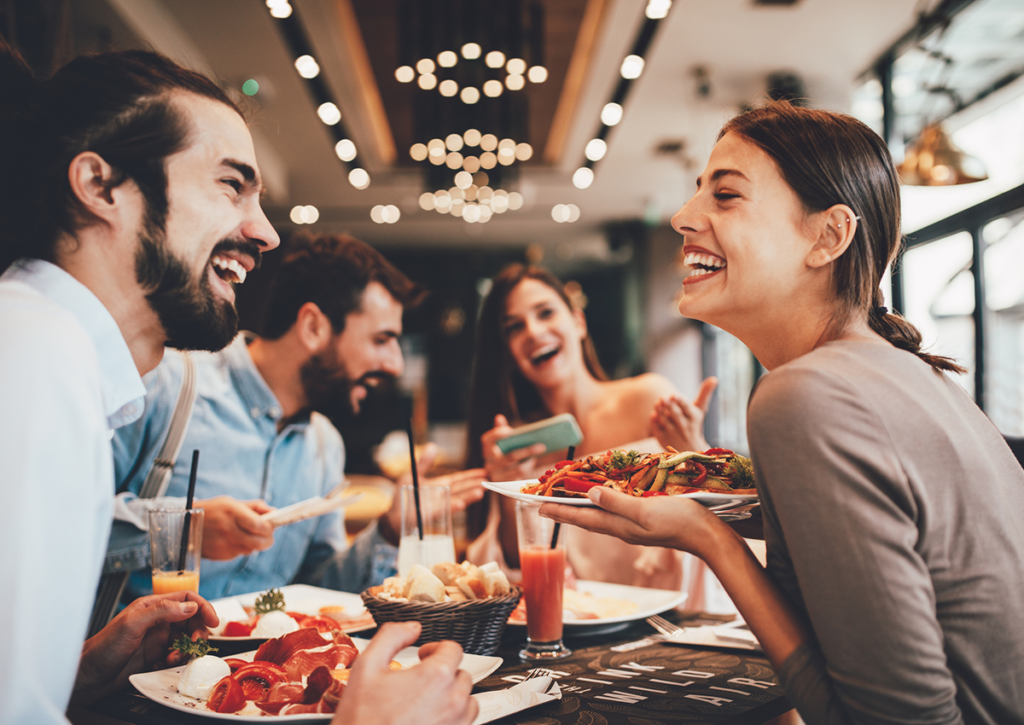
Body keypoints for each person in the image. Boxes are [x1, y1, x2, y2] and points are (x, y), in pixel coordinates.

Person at [0, 41, 474, 725]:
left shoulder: (52, 352)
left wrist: (77, 677)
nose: (267, 233)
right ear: (102, 187)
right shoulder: (37, 359)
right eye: (231, 184)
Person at [541, 101, 1024, 723]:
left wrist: (707, 536)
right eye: (696, 194)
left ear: (827, 237)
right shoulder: (912, 375)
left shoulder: (804, 392)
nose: (684, 218)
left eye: (726, 196)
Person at [109, 232, 485, 601]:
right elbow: (62, 521)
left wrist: (389, 529)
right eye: (381, 339)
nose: (395, 363)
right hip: (139, 661)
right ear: (313, 327)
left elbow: (320, 591)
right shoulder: (164, 385)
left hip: (260, 663)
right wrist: (182, 530)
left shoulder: (324, 445)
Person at [464, 264, 730, 609]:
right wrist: (507, 491)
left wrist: (696, 452)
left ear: (578, 322)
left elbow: (712, 519)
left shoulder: (646, 400)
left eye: (545, 313)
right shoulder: (521, 447)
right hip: (576, 630)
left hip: (672, 614)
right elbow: (521, 566)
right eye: (514, 327)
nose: (533, 331)